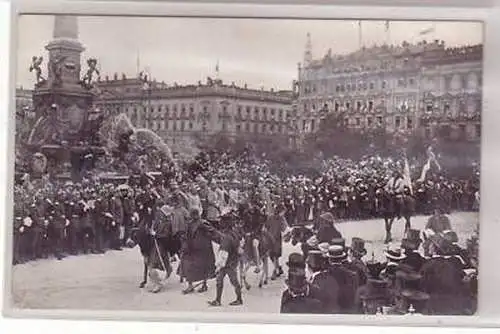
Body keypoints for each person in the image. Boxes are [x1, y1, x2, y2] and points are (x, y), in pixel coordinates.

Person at [208, 215, 243, 307]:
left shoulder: (226, 237)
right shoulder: (234, 232)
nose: (220, 223)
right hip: (233, 261)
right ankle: (222, 300)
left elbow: (223, 253)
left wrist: (218, 267)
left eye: (222, 222)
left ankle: (222, 300)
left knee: (228, 281)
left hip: (227, 263)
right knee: (231, 281)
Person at [180, 208, 216, 294]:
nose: (192, 216)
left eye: (193, 215)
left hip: (203, 250)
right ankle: (190, 286)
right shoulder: (189, 224)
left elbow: (213, 232)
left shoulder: (203, 223)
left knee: (204, 267)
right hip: (191, 248)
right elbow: (186, 235)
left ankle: (204, 285)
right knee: (188, 266)